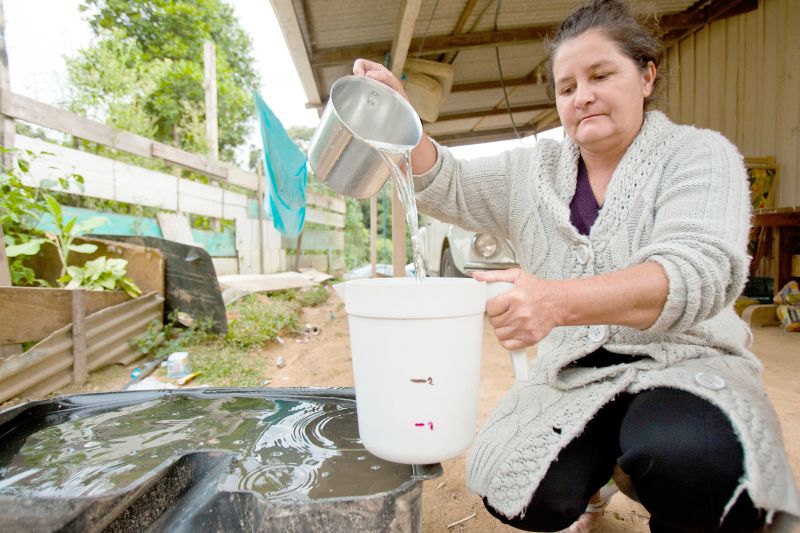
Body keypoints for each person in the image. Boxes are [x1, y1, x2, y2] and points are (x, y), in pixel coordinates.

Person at [353, 0, 800, 531]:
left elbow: (697, 271)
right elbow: (449, 182)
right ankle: (602, 475)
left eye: (600, 75)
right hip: (576, 373)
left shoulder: (698, 154)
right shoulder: (531, 171)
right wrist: (403, 122)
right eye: (566, 88)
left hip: (684, 361)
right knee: (515, 487)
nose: (582, 96)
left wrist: (555, 301)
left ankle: (652, 476)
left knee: (691, 461)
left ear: (647, 76)